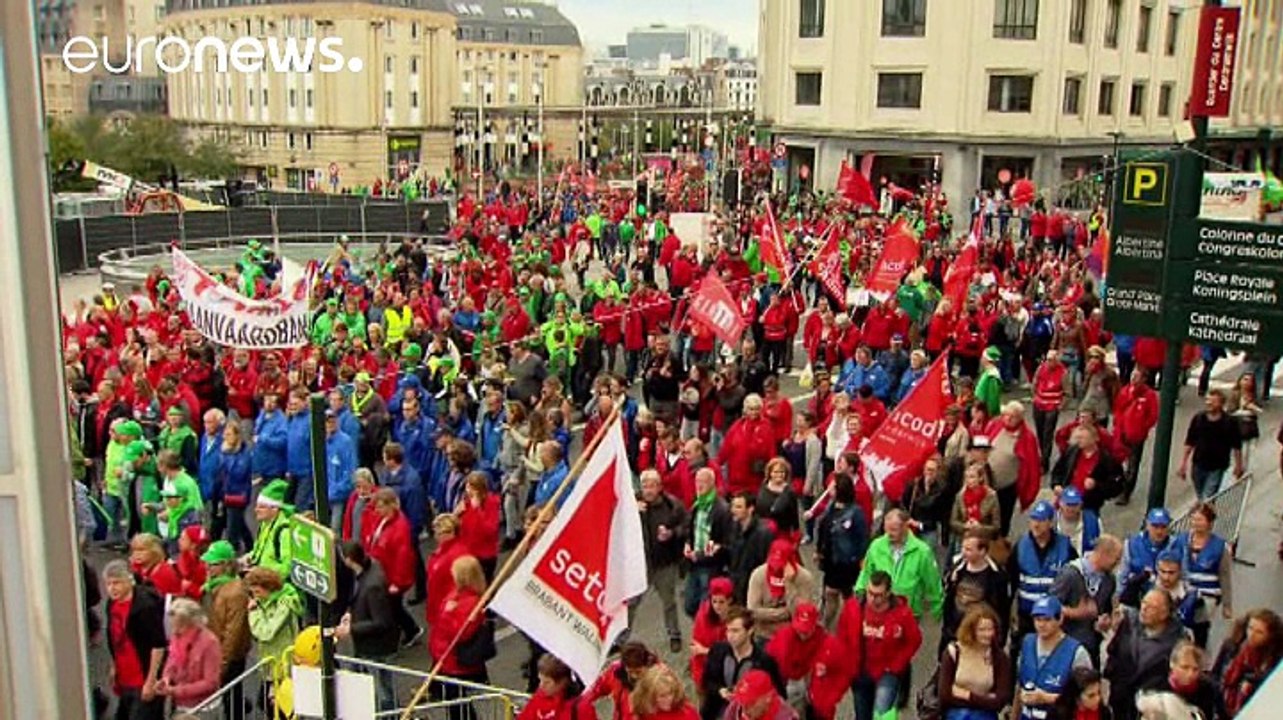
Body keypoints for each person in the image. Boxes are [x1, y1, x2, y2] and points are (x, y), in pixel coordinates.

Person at [837, 570, 922, 720]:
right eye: (870, 593)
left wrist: (896, 664)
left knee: (881, 715)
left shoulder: (902, 613)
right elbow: (842, 635)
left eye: (878, 595)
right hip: (860, 671)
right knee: (862, 715)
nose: (873, 599)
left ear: (888, 593)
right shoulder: (854, 607)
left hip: (887, 673)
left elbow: (914, 640)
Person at [335, 541, 401, 712]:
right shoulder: (367, 571)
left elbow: (381, 622)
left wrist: (351, 629)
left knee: (383, 691)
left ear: (349, 560)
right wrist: (351, 613)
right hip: (368, 645)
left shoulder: (373, 586)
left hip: (377, 649)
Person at [1104, 590, 1191, 720]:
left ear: (1164, 613)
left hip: (1152, 706)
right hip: (1121, 700)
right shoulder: (1129, 623)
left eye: (1151, 607)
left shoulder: (1177, 640)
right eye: (1143, 603)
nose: (1144, 609)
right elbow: (1113, 650)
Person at [103, 559, 168, 720]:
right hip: (124, 677)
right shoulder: (112, 604)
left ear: (129, 581)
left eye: (117, 583)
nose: (112, 589)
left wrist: (151, 680)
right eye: (108, 584)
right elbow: (115, 637)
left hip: (142, 677)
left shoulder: (145, 607)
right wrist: (114, 666)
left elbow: (158, 645)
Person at [428, 556, 492, 720]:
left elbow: (463, 634)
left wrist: (449, 614)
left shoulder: (471, 602)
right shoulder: (458, 594)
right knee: (456, 705)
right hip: (446, 658)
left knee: (458, 706)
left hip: (456, 663)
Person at [855, 509, 944, 622]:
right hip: (880, 608)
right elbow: (866, 573)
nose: (889, 534)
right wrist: (860, 592)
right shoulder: (876, 546)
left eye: (893, 530)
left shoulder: (922, 552)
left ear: (906, 527)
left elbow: (932, 582)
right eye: (886, 530)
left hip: (910, 613)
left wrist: (937, 609)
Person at [636, 469, 689, 653]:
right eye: (645, 486)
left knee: (668, 601)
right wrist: (633, 511)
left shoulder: (673, 506)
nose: (648, 490)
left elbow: (686, 526)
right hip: (640, 564)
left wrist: (672, 534)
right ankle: (620, 639)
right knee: (632, 602)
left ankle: (674, 634)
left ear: (659, 487)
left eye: (652, 486)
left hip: (664, 563)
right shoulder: (632, 503)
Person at [1010, 500, 1077, 645]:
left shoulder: (1065, 547)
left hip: (1054, 617)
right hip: (1026, 615)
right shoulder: (1021, 545)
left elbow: (1075, 582)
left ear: (1051, 523)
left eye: (1041, 520)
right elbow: (1012, 579)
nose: (1036, 524)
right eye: (1033, 519)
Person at [1049, 534, 1123, 665]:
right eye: (1115, 559)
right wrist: (1075, 613)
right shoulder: (1070, 574)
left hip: (1092, 648)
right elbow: (1049, 606)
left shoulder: (1109, 580)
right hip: (1065, 647)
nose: (1117, 564)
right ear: (1102, 554)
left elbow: (1104, 611)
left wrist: (1104, 621)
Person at [1014, 597, 1092, 720]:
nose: (1041, 625)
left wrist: (1046, 698)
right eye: (1037, 619)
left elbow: (1087, 698)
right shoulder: (1027, 642)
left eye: (1047, 620)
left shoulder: (1076, 652)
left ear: (1060, 619)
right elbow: (1019, 686)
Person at [700, 608, 785, 720]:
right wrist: (720, 691)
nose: (730, 635)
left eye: (735, 631)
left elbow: (777, 693)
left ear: (750, 631)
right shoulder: (718, 651)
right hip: (717, 710)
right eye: (728, 630)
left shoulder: (764, 661)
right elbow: (706, 681)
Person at [199, 540, 251, 720]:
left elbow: (233, 633)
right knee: (229, 693)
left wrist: (222, 663)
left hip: (230, 654)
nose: (208, 567)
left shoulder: (235, 593)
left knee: (231, 695)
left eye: (213, 564)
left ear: (226, 565)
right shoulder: (213, 585)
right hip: (215, 648)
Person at [364, 488, 422, 648]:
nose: (377, 510)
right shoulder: (382, 519)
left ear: (391, 506)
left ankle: (410, 631)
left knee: (394, 608)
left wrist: (396, 582)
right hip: (382, 573)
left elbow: (402, 559)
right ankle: (407, 631)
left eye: (380, 507)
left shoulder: (400, 528)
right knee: (392, 608)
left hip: (392, 578)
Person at [938, 604, 1014, 720]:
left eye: (990, 629)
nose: (988, 634)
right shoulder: (953, 652)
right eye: (982, 630)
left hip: (985, 715)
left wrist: (966, 695)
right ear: (971, 630)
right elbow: (945, 695)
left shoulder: (1000, 658)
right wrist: (985, 699)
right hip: (955, 713)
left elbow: (1000, 701)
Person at [814, 473, 869, 626]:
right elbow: (823, 529)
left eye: (833, 486)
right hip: (831, 560)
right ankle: (827, 625)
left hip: (847, 563)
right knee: (830, 593)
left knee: (846, 597)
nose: (829, 488)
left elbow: (863, 538)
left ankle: (850, 625)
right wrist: (819, 550)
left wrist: (862, 559)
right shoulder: (830, 507)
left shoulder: (856, 513)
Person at [943, 530, 1011, 648]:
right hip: (954, 633)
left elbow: (1003, 611)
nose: (964, 553)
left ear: (982, 551)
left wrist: (999, 641)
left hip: (980, 637)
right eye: (963, 548)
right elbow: (948, 601)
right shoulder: (957, 569)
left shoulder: (997, 577)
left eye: (969, 549)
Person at [984, 401, 1043, 536]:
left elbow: (1033, 468)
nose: (1008, 419)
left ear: (1021, 418)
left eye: (1013, 416)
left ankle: (999, 548)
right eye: (1006, 415)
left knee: (1002, 521)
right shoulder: (995, 425)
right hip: (988, 483)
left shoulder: (1027, 438)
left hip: (1007, 487)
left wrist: (1029, 493)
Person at [1178, 502, 1234, 642]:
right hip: (1184, 591)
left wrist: (1227, 605)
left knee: (1199, 627)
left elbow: (1224, 575)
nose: (1196, 523)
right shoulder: (1181, 540)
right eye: (1193, 519)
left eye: (1200, 520)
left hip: (1207, 596)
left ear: (1209, 523)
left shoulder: (1221, 546)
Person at [157, 598, 223, 714]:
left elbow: (210, 682)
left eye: (180, 627)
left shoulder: (209, 642)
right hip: (180, 704)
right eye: (173, 625)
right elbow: (171, 661)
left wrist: (176, 690)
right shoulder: (176, 636)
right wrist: (166, 678)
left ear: (193, 623)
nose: (175, 631)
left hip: (204, 707)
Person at [684, 468, 734, 617]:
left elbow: (728, 541)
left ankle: (704, 634)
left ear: (712, 483)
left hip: (711, 564)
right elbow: (691, 529)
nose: (699, 485)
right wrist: (688, 543)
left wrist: (718, 548)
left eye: (703, 482)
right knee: (690, 604)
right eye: (697, 481)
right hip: (694, 562)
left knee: (706, 608)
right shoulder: (697, 505)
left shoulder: (722, 509)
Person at [1177, 389, 1243, 500]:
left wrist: (1238, 465)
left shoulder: (1230, 422)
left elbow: (1236, 445)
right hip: (1198, 464)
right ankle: (1205, 513)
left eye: (1213, 402)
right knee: (1201, 495)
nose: (1209, 404)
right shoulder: (1198, 419)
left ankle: (1204, 513)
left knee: (1208, 496)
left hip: (1217, 466)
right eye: (1208, 401)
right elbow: (1190, 441)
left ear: (1221, 404)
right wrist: (1183, 464)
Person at [746, 539, 816, 640]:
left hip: (792, 635)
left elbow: (802, 614)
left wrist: (789, 585)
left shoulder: (804, 578)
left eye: (781, 563)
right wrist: (784, 613)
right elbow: (753, 611)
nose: (776, 568)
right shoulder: (758, 575)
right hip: (764, 634)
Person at [1218, 608, 1283, 717]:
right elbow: (1216, 674)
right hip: (1226, 707)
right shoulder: (1232, 646)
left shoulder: (1276, 657)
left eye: (1259, 632)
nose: (1252, 635)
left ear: (1270, 635)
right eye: (1250, 628)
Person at [763, 602, 827, 712]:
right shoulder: (786, 638)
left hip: (803, 674)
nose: (803, 634)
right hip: (781, 677)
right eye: (800, 630)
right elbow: (783, 671)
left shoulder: (820, 635)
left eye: (807, 631)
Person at [1050, 425, 1125, 512]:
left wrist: (1096, 485)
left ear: (1094, 439)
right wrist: (1056, 484)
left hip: (1088, 506)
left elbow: (1117, 485)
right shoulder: (1071, 452)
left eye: (1082, 438)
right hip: (1065, 502)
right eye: (1078, 437)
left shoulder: (1106, 459)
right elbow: (1058, 470)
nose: (1079, 440)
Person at [581, 641, 661, 720]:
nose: (634, 676)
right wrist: (580, 702)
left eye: (638, 672)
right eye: (630, 671)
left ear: (646, 664)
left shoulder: (660, 677)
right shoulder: (614, 672)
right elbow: (596, 689)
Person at [1113, 368, 1159, 506]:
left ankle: (1126, 492)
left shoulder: (1149, 395)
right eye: (1133, 375)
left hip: (1136, 436)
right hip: (1122, 433)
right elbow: (1118, 409)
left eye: (1137, 376)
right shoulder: (1125, 391)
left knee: (1132, 465)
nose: (1133, 378)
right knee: (1118, 461)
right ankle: (1119, 485)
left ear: (1144, 379)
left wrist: (1142, 428)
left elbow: (1152, 415)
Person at [1119, 508, 1182, 607]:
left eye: (1163, 527)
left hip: (1166, 601)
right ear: (1147, 524)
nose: (1159, 531)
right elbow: (1123, 576)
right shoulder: (1132, 544)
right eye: (1155, 526)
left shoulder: (1177, 545)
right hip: (1138, 600)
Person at [245, 566, 304, 669]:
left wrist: (253, 612)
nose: (255, 597)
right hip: (269, 662)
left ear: (269, 588)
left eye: (257, 592)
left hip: (283, 664)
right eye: (252, 593)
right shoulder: (262, 601)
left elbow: (266, 633)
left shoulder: (284, 604)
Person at [728, 493, 776, 604]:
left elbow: (766, 561)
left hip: (753, 585)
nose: (733, 510)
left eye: (738, 507)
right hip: (737, 583)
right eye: (733, 506)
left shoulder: (763, 533)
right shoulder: (734, 528)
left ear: (750, 509)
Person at [426, 513, 470, 629]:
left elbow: (462, 585)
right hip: (438, 599)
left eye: (439, 533)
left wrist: (450, 604)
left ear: (450, 533)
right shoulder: (444, 549)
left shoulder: (459, 554)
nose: (436, 537)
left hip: (446, 604)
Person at [456, 471, 502, 581]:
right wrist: (456, 514)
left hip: (485, 555)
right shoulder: (466, 502)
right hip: (468, 551)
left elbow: (490, 530)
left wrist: (477, 510)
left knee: (484, 583)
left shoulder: (492, 503)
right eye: (467, 487)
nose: (468, 491)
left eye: (471, 488)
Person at [245, 479, 294, 580]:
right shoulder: (265, 524)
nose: (256, 510)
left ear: (274, 509)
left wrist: (262, 571)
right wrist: (247, 559)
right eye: (256, 506)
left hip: (275, 586)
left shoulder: (284, 531)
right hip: (261, 580)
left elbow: (288, 568)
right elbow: (258, 552)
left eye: (262, 507)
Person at [690, 577, 734, 689]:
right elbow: (696, 646)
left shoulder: (736, 619)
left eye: (721, 602)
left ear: (730, 600)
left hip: (728, 673)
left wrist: (706, 651)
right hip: (706, 670)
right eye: (714, 601)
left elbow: (733, 651)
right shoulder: (703, 616)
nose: (717, 606)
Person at [1164, 642, 1219, 720]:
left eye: (1195, 669)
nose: (1190, 674)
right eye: (1185, 667)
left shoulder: (1207, 689)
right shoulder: (1158, 686)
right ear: (1172, 664)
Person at [949, 462, 1001, 546]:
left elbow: (996, 526)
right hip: (963, 539)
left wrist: (980, 528)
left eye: (972, 477)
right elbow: (953, 521)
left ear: (980, 478)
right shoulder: (960, 496)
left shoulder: (991, 496)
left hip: (983, 541)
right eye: (966, 477)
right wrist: (965, 526)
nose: (968, 480)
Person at [518, 654, 580, 720]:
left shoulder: (574, 707)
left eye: (547, 682)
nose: (541, 686)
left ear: (562, 683)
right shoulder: (541, 694)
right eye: (540, 680)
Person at [721, 669, 798, 720]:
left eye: (751, 703)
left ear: (768, 698)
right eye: (742, 700)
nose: (744, 710)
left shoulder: (786, 717)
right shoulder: (735, 707)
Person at [632, 665, 700, 720]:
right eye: (662, 696)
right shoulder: (643, 712)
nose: (669, 699)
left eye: (670, 693)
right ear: (650, 695)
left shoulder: (687, 713)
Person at [1055, 487, 1102, 555]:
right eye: (1068, 504)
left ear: (1081, 504)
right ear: (1060, 503)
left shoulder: (1093, 521)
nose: (1071, 508)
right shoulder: (1051, 522)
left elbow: (1100, 547)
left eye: (1074, 504)